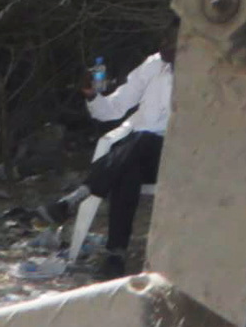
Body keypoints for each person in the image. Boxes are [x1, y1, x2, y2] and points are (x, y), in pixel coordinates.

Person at [70, 46, 172, 276]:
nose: (164, 46)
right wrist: (92, 94)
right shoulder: (154, 64)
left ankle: (83, 192)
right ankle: (115, 256)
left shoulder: (203, 73)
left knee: (141, 141)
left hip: (178, 155)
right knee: (128, 168)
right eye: (164, 39)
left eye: (172, 41)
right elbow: (113, 109)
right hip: (139, 154)